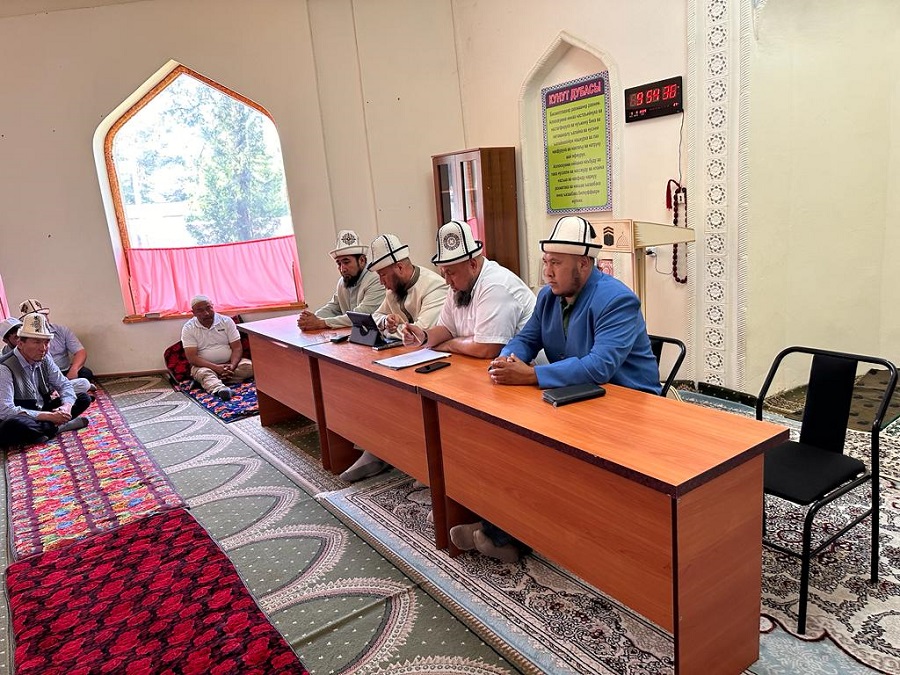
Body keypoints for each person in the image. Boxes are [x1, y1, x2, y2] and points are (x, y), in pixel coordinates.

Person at [453, 216, 661, 564]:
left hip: (627, 405)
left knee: (539, 453)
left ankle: (503, 533)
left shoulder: (617, 300)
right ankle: (503, 528)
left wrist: (532, 376)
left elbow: (600, 367)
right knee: (512, 439)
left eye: (557, 264)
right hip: (578, 396)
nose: (547, 272)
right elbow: (526, 338)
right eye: (546, 262)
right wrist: (507, 359)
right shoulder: (549, 297)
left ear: (584, 264)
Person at [339, 234, 448, 482]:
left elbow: (420, 335)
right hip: (406, 359)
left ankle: (418, 462)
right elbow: (376, 317)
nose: (382, 282)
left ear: (399, 267)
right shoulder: (393, 290)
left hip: (435, 362)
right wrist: (386, 322)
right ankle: (376, 449)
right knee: (370, 381)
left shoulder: (434, 287)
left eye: (384, 275)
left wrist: (395, 327)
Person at [403, 220, 535, 360]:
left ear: (472, 265)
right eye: (444, 273)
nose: (447, 281)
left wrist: (449, 345)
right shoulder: (458, 286)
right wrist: (423, 336)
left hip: (528, 365)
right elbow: (447, 329)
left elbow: (488, 348)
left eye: (451, 273)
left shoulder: (496, 284)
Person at [0, 312, 93, 449]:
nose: (43, 348)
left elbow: (64, 384)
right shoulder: (4, 367)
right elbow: (5, 410)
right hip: (21, 414)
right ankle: (59, 427)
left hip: (42, 407)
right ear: (20, 343)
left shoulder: (45, 358)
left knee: (83, 398)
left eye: (46, 342)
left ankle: (42, 432)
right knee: (13, 425)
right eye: (37, 342)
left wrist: (66, 407)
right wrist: (49, 417)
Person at [297, 230, 386, 331]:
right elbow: (333, 307)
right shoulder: (343, 282)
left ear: (362, 260)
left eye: (346, 262)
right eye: (339, 263)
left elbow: (362, 315)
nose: (342, 269)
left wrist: (321, 323)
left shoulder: (376, 279)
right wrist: (311, 319)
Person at [181, 295, 253, 400]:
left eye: (208, 308)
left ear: (212, 307)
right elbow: (192, 358)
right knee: (203, 373)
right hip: (204, 366)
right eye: (200, 310)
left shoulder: (226, 321)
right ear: (194, 313)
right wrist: (216, 368)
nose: (206, 313)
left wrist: (232, 366)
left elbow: (237, 348)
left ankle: (207, 381)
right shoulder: (188, 328)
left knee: (249, 367)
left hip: (229, 364)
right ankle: (220, 389)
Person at [19, 299, 93, 382]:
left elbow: (80, 352)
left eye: (43, 316)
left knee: (86, 374)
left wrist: (73, 370)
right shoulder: (23, 336)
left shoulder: (61, 330)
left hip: (64, 370)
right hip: (41, 373)